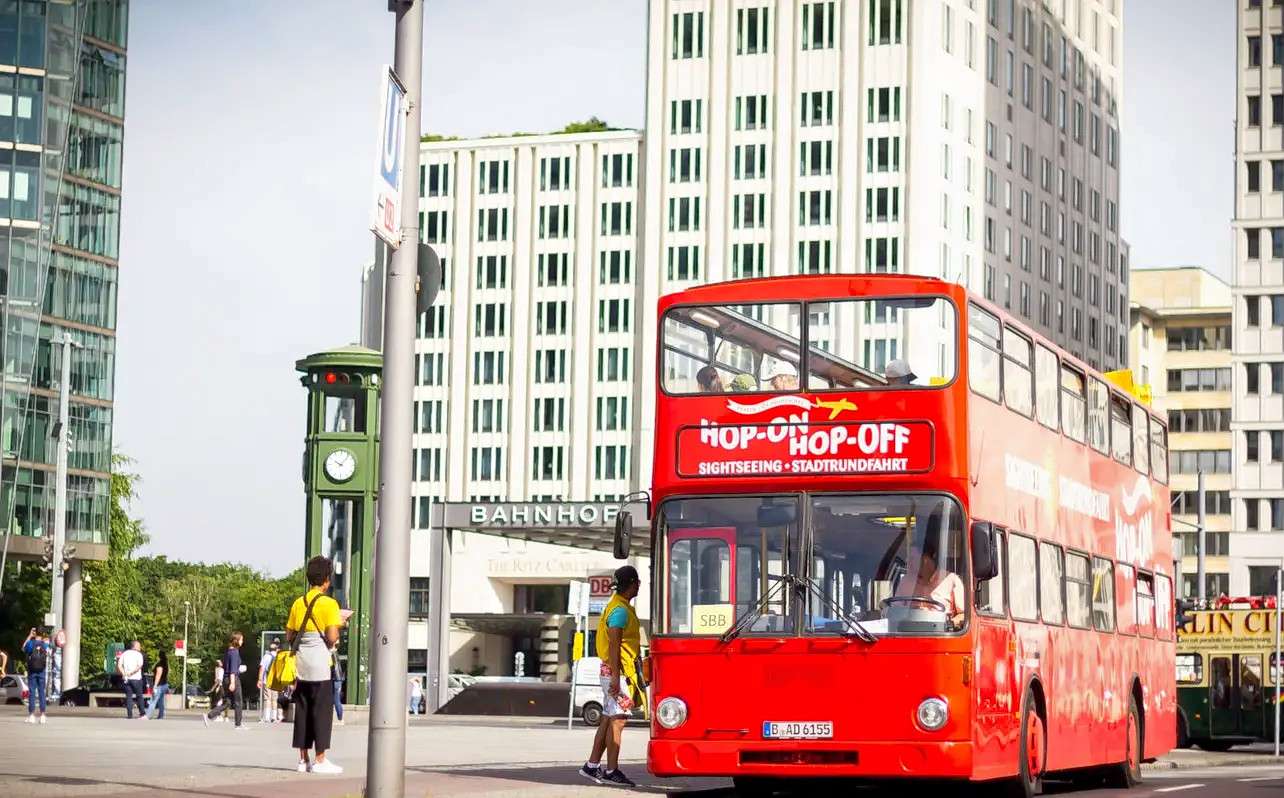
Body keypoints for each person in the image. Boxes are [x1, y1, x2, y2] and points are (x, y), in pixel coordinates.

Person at [578, 565, 642, 787]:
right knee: (619, 720)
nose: (639, 586)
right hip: (617, 672)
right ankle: (611, 770)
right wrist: (616, 677)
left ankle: (592, 765)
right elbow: (615, 645)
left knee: (607, 718)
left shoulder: (617, 606)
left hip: (612, 670)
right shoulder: (620, 610)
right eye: (637, 582)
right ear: (633, 584)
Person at [286, 555, 345, 774]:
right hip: (320, 664)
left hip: (301, 665)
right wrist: (341, 624)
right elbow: (332, 637)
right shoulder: (329, 604)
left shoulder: (298, 603)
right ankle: (320, 759)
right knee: (321, 712)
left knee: (302, 711)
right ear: (326, 580)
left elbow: (290, 634)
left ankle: (303, 760)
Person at [895, 540, 965, 626]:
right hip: (910, 630)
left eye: (912, 558)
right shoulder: (905, 581)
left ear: (925, 559)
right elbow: (896, 610)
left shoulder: (951, 580)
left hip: (940, 632)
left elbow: (963, 615)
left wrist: (947, 625)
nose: (907, 561)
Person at [204, 632, 245, 729]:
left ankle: (210, 715)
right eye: (241, 640)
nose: (242, 642)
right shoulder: (235, 652)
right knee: (238, 701)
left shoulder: (228, 651)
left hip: (225, 679)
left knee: (227, 702)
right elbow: (233, 669)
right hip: (233, 679)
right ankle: (238, 724)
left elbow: (223, 665)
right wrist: (233, 682)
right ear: (236, 640)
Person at [22, 628, 49, 724]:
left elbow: (23, 648)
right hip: (42, 671)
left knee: (32, 692)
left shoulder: (30, 643)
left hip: (32, 671)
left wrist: (29, 636)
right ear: (43, 634)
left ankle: (32, 715)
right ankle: (42, 715)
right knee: (42, 692)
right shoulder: (45, 644)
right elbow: (49, 652)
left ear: (35, 633)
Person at [117, 640, 147, 720]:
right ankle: (142, 714)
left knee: (128, 697)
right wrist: (131, 673)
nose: (140, 647)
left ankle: (129, 715)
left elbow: (119, 665)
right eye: (139, 646)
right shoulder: (138, 654)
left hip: (126, 679)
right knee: (139, 696)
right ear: (134, 646)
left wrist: (124, 673)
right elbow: (139, 666)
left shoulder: (125, 653)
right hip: (136, 678)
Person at [258, 640, 280, 724]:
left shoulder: (266, 656)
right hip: (276, 681)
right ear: (276, 648)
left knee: (267, 698)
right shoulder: (278, 656)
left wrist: (260, 679)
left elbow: (262, 669)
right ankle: (274, 717)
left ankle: (267, 717)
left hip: (267, 680)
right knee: (274, 699)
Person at [147, 650, 170, 719]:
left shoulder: (160, 664)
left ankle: (148, 716)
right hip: (165, 684)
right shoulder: (166, 664)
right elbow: (168, 673)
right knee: (160, 701)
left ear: (159, 656)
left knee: (153, 701)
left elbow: (158, 675)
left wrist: (155, 686)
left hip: (159, 685)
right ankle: (161, 715)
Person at [331, 649, 345, 726]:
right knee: (336, 699)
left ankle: (340, 719)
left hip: (335, 679)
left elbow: (333, 668)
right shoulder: (336, 655)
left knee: (336, 700)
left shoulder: (332, 654)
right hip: (338, 679)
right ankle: (340, 719)